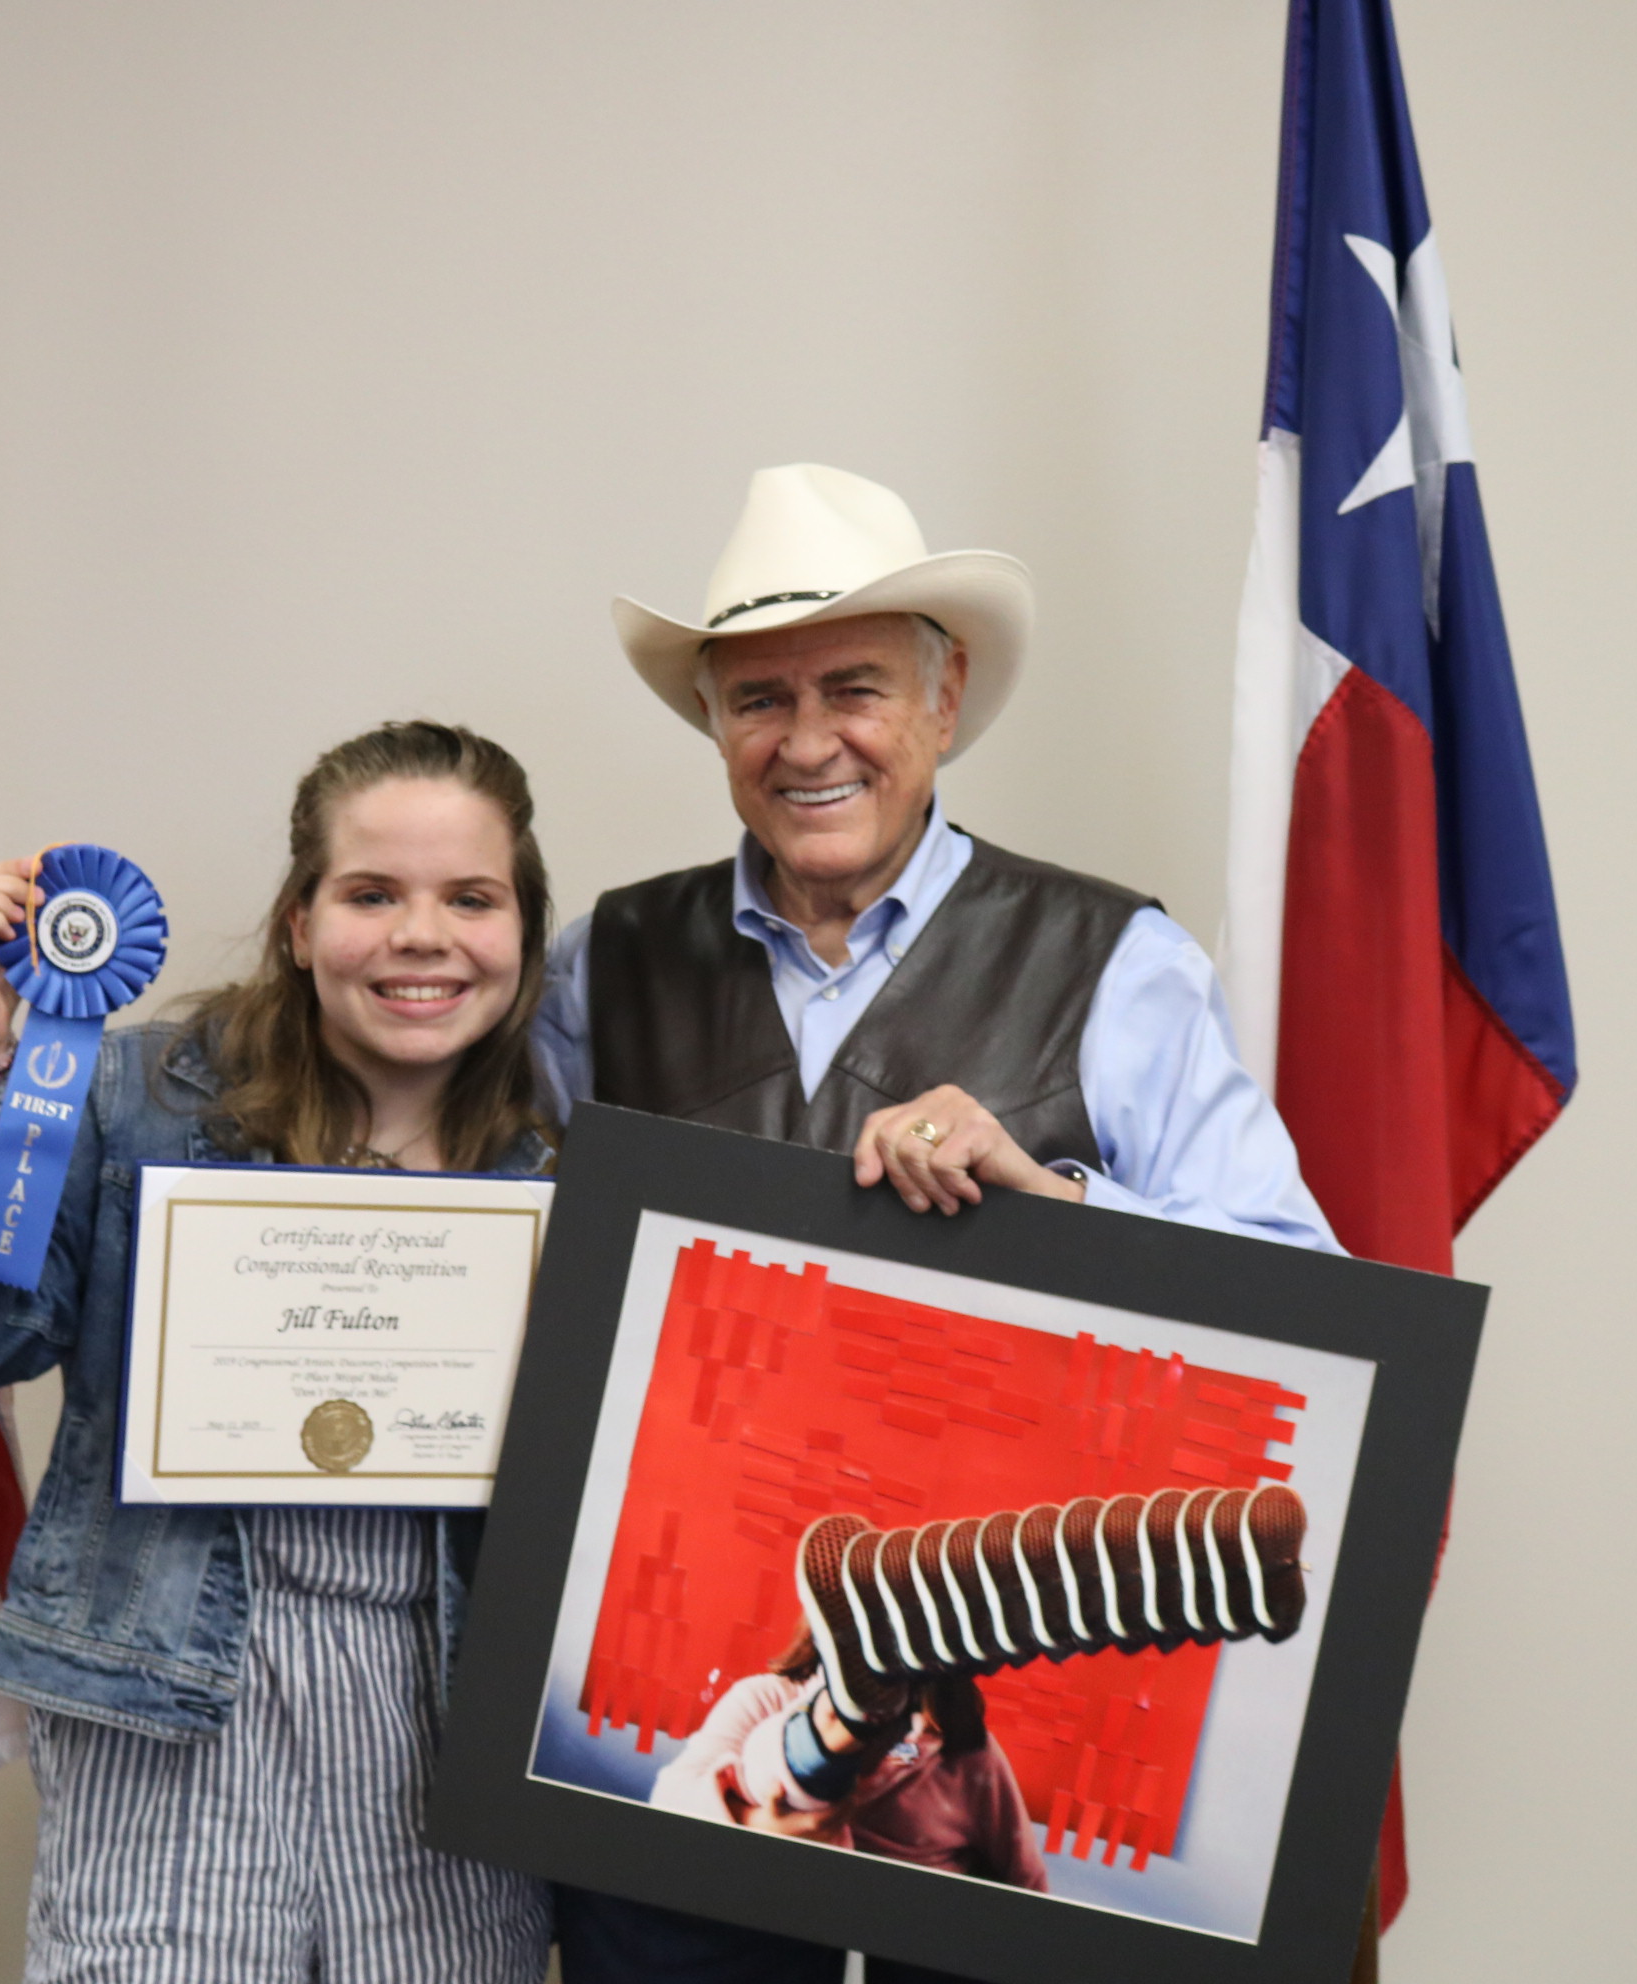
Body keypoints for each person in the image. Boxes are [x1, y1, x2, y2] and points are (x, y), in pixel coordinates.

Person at [534, 464, 1345, 1984]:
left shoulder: (1116, 958)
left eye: (855, 688)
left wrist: (1054, 1197)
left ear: (945, 699)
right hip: (673, 1720)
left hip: (997, 1735)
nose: (808, 742)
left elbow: (1307, 1291)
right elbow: (511, 1265)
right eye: (760, 699)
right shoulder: (602, 964)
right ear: (713, 721)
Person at [0, 722, 557, 1984]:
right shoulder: (129, 1098)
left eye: (471, 897)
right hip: (169, 1702)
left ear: (523, 930)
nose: (423, 935)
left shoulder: (560, 1164)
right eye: (371, 894)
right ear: (299, 923)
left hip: (444, 1722)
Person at [651, 1624, 1048, 1895]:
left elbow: (1027, 1882)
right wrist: (754, 1824)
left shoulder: (966, 1753)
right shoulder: (764, 1701)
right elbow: (668, 1799)